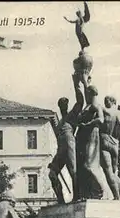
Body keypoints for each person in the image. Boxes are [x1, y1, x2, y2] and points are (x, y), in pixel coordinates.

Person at [48, 75, 85, 203]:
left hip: (70, 143)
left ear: (67, 105)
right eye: (61, 104)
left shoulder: (71, 116)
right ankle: (61, 200)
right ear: (59, 106)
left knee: (72, 171)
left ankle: (77, 196)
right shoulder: (59, 123)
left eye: (65, 104)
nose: (63, 106)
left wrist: (77, 84)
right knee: (52, 174)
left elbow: (80, 101)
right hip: (60, 149)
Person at [75, 84, 107, 200]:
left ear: (90, 94)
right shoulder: (88, 106)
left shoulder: (95, 105)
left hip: (92, 134)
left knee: (89, 164)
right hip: (84, 136)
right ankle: (90, 193)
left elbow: (101, 119)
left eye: (87, 93)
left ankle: (102, 190)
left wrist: (87, 124)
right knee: (84, 165)